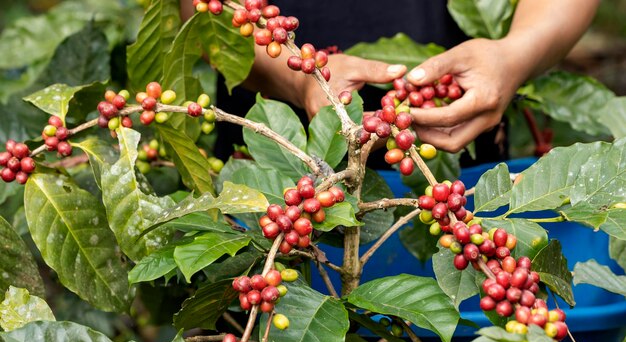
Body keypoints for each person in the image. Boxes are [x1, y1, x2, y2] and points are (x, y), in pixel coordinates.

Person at [181, 0, 600, 163]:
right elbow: (206, 12)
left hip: (460, 165)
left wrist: (514, 54)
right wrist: (301, 81)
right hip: (272, 177)